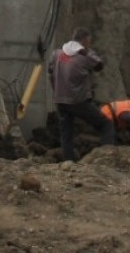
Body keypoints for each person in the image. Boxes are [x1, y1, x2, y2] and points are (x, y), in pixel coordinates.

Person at [48, 29, 115, 162]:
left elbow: (50, 72)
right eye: (88, 42)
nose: (89, 44)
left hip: (60, 100)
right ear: (84, 40)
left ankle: (69, 163)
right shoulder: (84, 56)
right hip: (78, 101)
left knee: (66, 135)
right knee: (106, 124)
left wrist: (55, 89)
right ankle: (107, 158)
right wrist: (88, 52)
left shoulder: (57, 53)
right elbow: (99, 65)